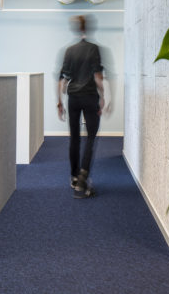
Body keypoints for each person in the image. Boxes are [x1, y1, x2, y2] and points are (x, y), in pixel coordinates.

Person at [57, 15, 108, 199]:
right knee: (91, 138)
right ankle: (83, 179)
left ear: (76, 29)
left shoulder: (69, 51)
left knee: (75, 138)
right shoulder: (94, 49)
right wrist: (103, 97)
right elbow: (98, 77)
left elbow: (62, 79)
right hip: (89, 96)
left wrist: (59, 102)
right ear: (88, 29)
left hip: (73, 98)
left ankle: (73, 177)